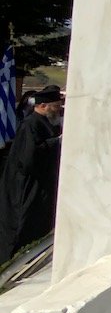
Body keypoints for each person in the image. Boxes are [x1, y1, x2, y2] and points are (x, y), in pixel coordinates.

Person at [0, 84, 63, 264]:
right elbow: (29, 158)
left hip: (41, 186)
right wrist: (56, 142)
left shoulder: (48, 123)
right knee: (21, 229)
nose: (58, 110)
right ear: (43, 106)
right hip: (25, 188)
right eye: (55, 106)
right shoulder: (31, 125)